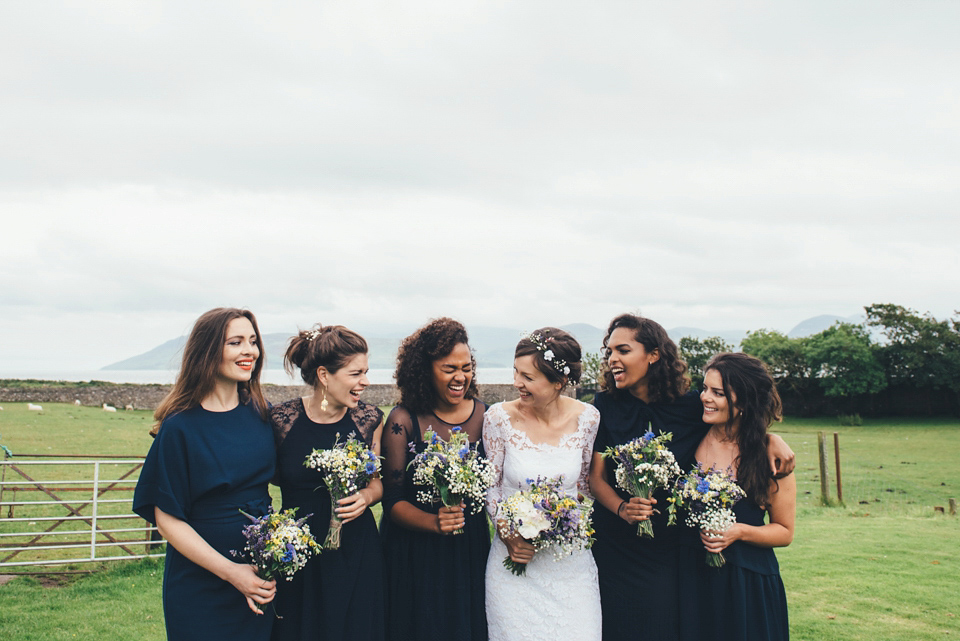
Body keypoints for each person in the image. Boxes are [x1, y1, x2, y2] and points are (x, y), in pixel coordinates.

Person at [588, 314, 795, 641]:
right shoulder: (603, 406)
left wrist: (770, 439)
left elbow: (737, 422)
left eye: (623, 350)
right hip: (617, 543)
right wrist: (621, 508)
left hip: (671, 551)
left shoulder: (690, 409)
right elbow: (594, 476)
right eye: (609, 351)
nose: (612, 359)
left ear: (653, 354)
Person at [133, 308, 277, 641]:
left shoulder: (262, 413)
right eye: (236, 342)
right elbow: (167, 518)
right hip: (201, 584)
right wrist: (232, 573)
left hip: (260, 578)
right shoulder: (179, 427)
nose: (249, 351)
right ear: (209, 351)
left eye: (253, 342)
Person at [484, 328, 602, 641]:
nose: (516, 383)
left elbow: (585, 487)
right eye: (515, 373)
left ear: (558, 382)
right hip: (514, 561)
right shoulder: (498, 418)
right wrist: (509, 535)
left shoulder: (588, 418)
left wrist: (570, 524)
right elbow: (491, 485)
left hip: (570, 565)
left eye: (528, 377)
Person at [269, 324, 385, 641]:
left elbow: (377, 482)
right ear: (324, 375)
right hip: (298, 554)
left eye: (366, 372)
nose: (365, 382)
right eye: (356, 373)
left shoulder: (370, 419)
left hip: (356, 551)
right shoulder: (281, 420)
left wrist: (366, 497)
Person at [380, 318, 489, 641]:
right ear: (425, 369)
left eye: (466, 367)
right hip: (416, 555)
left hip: (469, 550)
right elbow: (392, 500)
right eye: (449, 368)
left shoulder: (487, 416)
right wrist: (434, 522)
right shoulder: (403, 420)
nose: (461, 377)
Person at [678, 352, 794, 641]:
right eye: (705, 388)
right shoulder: (690, 437)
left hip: (747, 584)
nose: (705, 397)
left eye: (717, 393)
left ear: (743, 402)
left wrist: (739, 532)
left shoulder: (768, 457)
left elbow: (784, 531)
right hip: (694, 581)